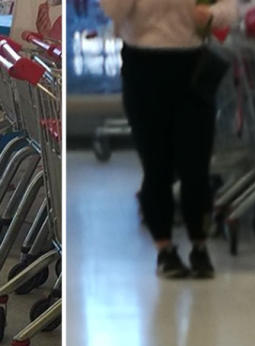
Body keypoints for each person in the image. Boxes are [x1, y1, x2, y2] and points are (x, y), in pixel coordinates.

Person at [101, 0, 241, 278]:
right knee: (156, 164)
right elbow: (112, 10)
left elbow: (231, 10)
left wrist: (211, 15)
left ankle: (200, 245)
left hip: (193, 65)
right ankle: (165, 250)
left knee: (196, 164)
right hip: (143, 66)